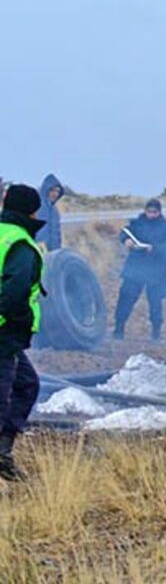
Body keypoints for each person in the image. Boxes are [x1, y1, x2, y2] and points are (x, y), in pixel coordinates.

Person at [0, 185, 45, 481]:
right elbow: (14, 293)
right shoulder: (20, 244)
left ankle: (2, 451)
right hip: (4, 334)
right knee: (3, 395)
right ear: (31, 210)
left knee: (27, 385)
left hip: (8, 336)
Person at [113, 199, 166, 340]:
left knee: (155, 302)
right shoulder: (137, 223)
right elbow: (124, 233)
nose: (151, 214)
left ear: (159, 212)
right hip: (135, 268)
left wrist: (154, 248)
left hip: (156, 272)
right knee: (126, 298)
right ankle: (119, 329)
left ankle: (156, 333)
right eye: (149, 211)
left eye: (154, 212)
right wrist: (126, 241)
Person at [35, 174, 64, 251]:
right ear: (46, 189)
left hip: (53, 252)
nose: (55, 194)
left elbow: (56, 233)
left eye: (58, 191)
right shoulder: (38, 206)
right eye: (52, 190)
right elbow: (40, 232)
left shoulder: (54, 210)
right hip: (40, 251)